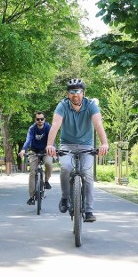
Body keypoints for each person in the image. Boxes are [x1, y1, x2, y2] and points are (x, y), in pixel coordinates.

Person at [46, 79, 109, 222]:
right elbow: (55, 126)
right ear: (68, 94)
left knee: (87, 174)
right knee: (66, 167)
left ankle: (88, 210)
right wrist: (50, 145)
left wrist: (104, 143)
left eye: (78, 91)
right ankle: (65, 197)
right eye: (72, 92)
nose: (75, 95)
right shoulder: (62, 106)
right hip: (67, 145)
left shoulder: (91, 105)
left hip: (86, 145)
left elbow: (98, 124)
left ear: (83, 93)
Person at [18, 111, 54, 205]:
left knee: (49, 164)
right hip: (34, 152)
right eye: (38, 119)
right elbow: (28, 140)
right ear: (35, 120)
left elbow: (52, 139)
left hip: (46, 151)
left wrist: (54, 149)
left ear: (44, 120)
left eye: (42, 119)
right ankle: (32, 197)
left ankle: (46, 181)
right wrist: (23, 150)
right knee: (32, 172)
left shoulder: (48, 127)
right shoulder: (32, 128)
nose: (40, 121)